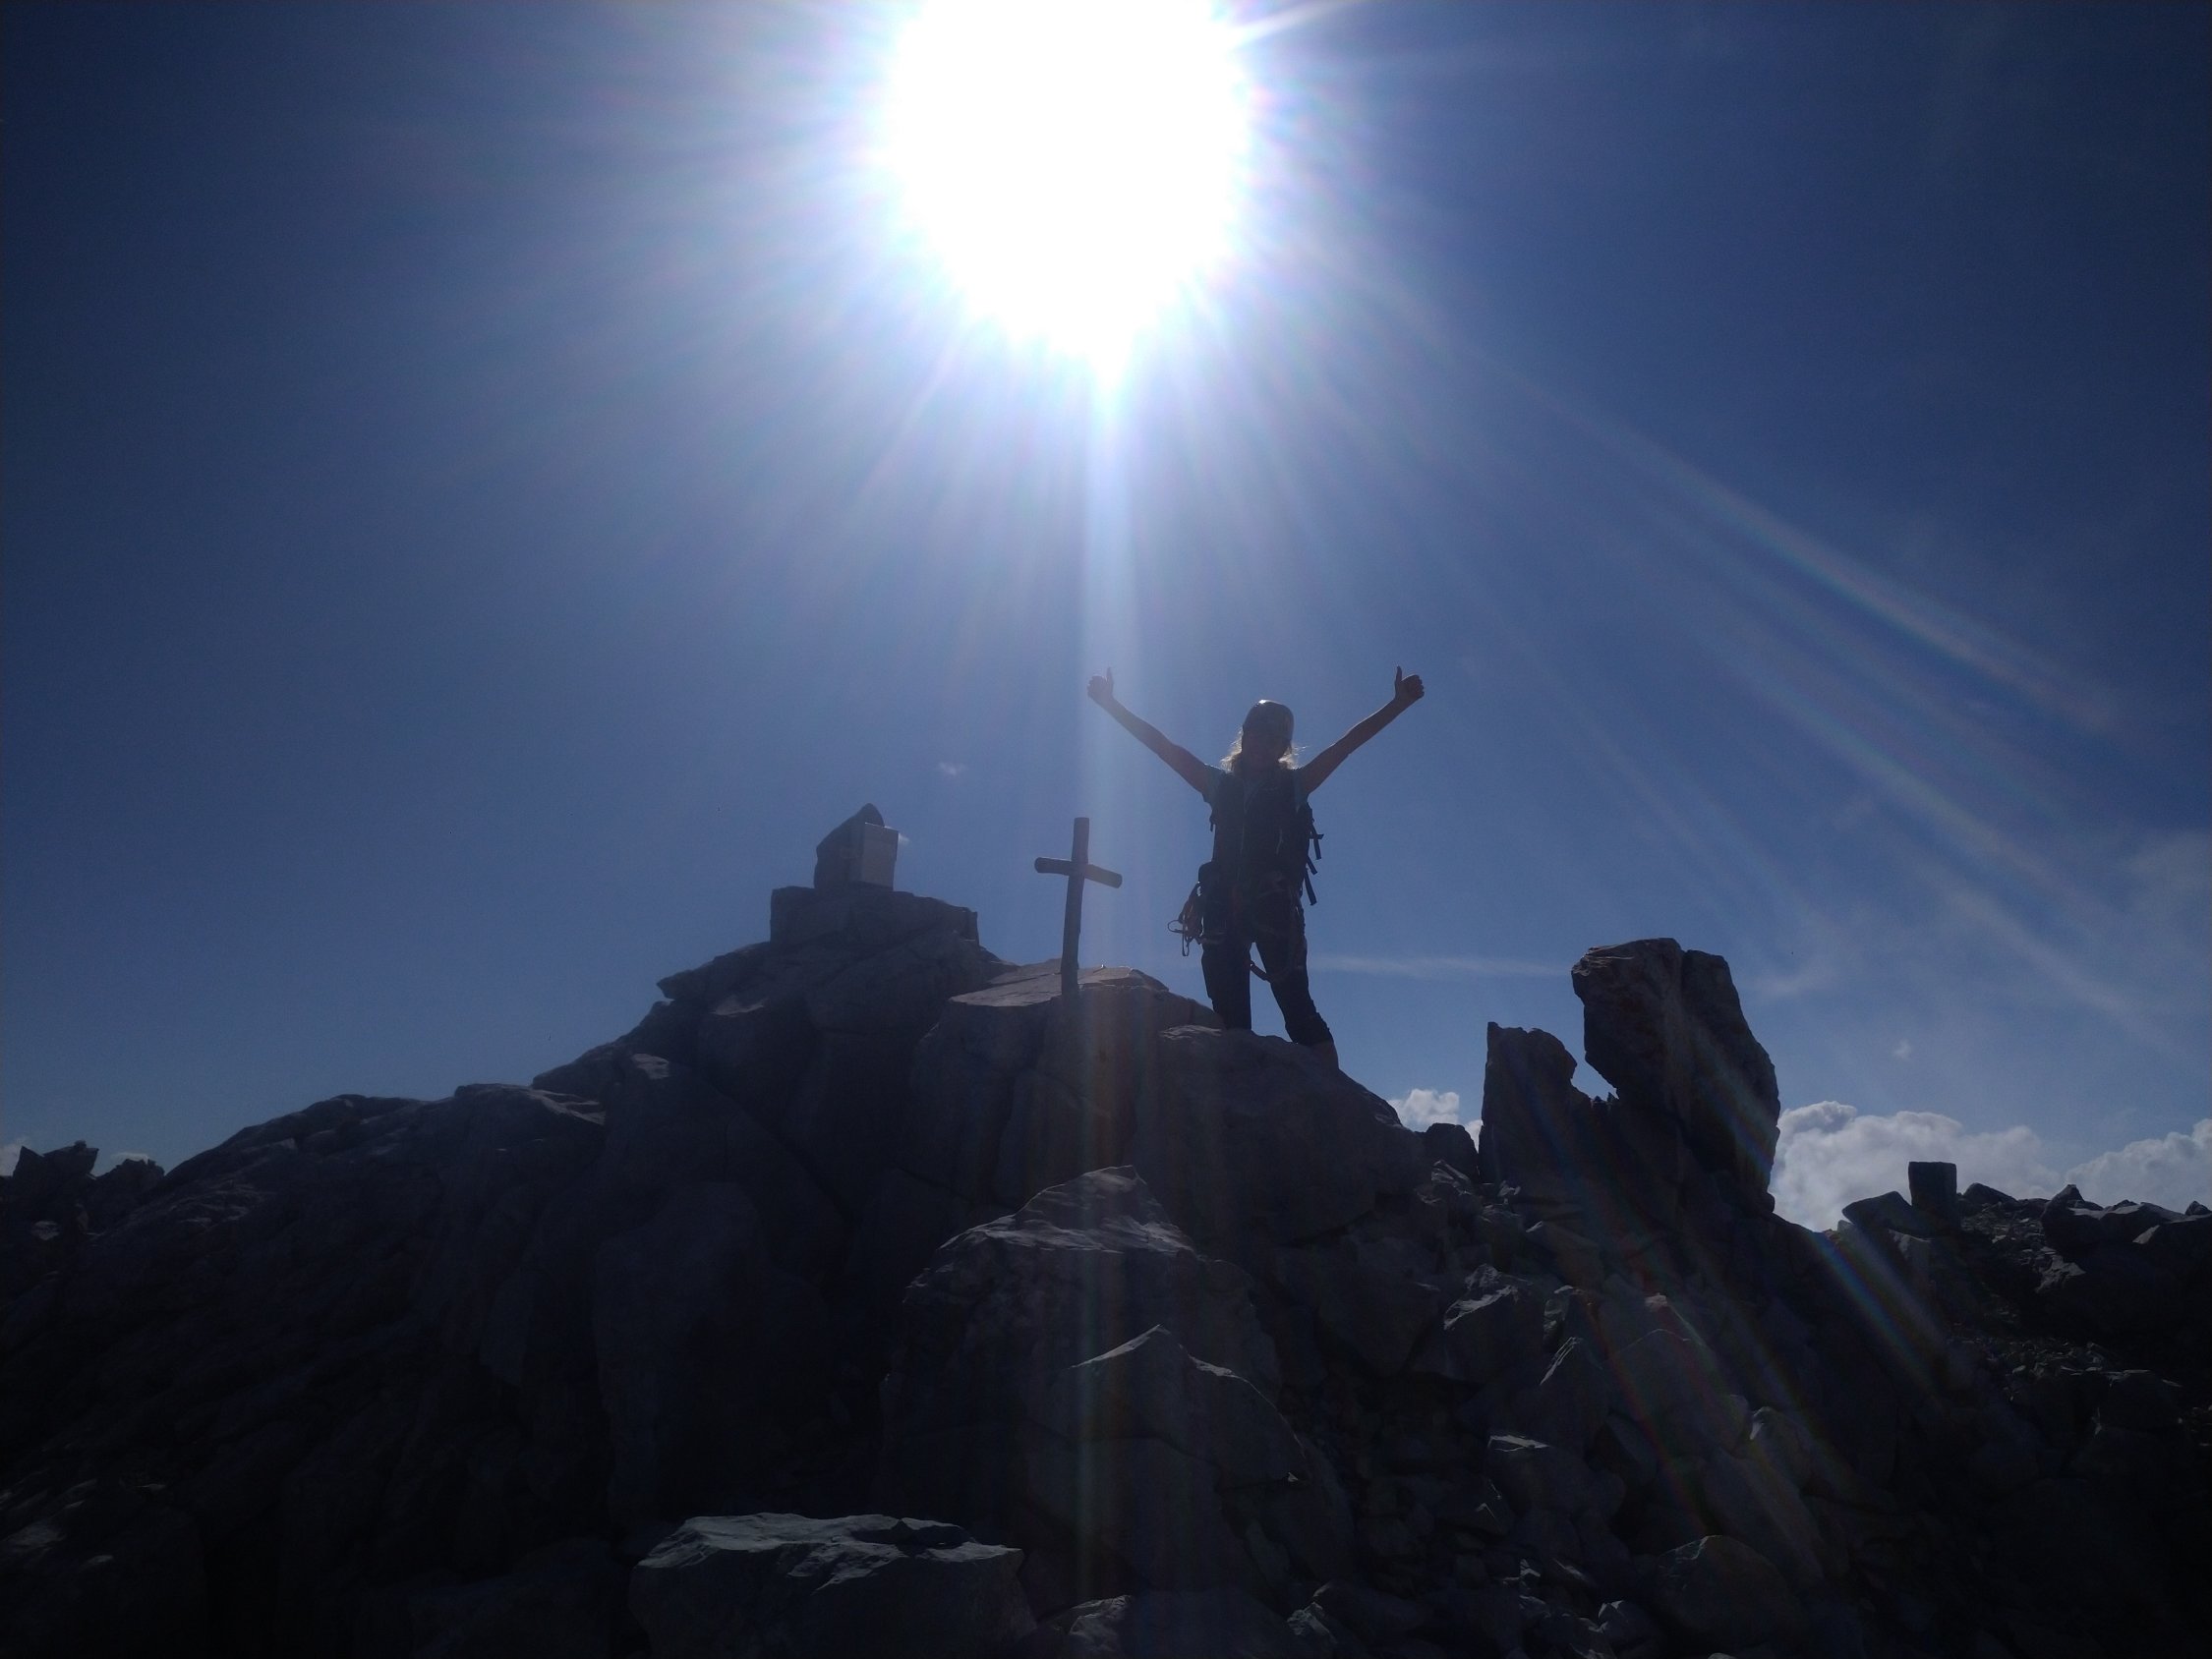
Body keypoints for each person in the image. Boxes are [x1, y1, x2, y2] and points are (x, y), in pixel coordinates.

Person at [1085, 667, 1426, 1069]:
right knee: (1231, 1016)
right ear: (1244, 737)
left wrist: (1398, 705)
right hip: (1224, 911)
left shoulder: (1294, 786)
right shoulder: (1218, 785)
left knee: (1297, 1008)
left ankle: (1334, 1093)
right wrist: (1111, 705)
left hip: (1272, 909)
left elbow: (1345, 746)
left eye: (1272, 740)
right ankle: (1243, 1090)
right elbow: (1163, 746)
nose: (1262, 746)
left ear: (1283, 749)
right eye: (1256, 736)